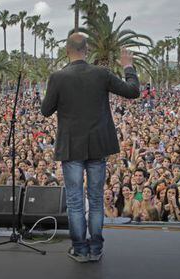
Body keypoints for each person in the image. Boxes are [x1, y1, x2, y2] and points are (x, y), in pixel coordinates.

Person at [41, 33, 140, 263]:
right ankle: (96, 249)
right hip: (98, 146)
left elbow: (46, 110)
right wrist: (128, 67)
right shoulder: (101, 74)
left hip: (71, 148)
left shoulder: (58, 77)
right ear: (87, 50)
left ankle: (80, 250)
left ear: (67, 51)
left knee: (75, 202)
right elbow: (133, 91)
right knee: (96, 200)